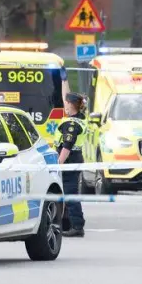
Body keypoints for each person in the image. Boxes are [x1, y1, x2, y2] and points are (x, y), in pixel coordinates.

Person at [55, 92, 87, 237]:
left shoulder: (72, 124)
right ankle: (68, 223)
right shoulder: (79, 119)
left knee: (69, 193)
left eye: (66, 102)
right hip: (75, 160)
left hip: (69, 161)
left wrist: (58, 164)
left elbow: (67, 146)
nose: (64, 105)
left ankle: (77, 225)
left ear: (70, 104)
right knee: (67, 192)